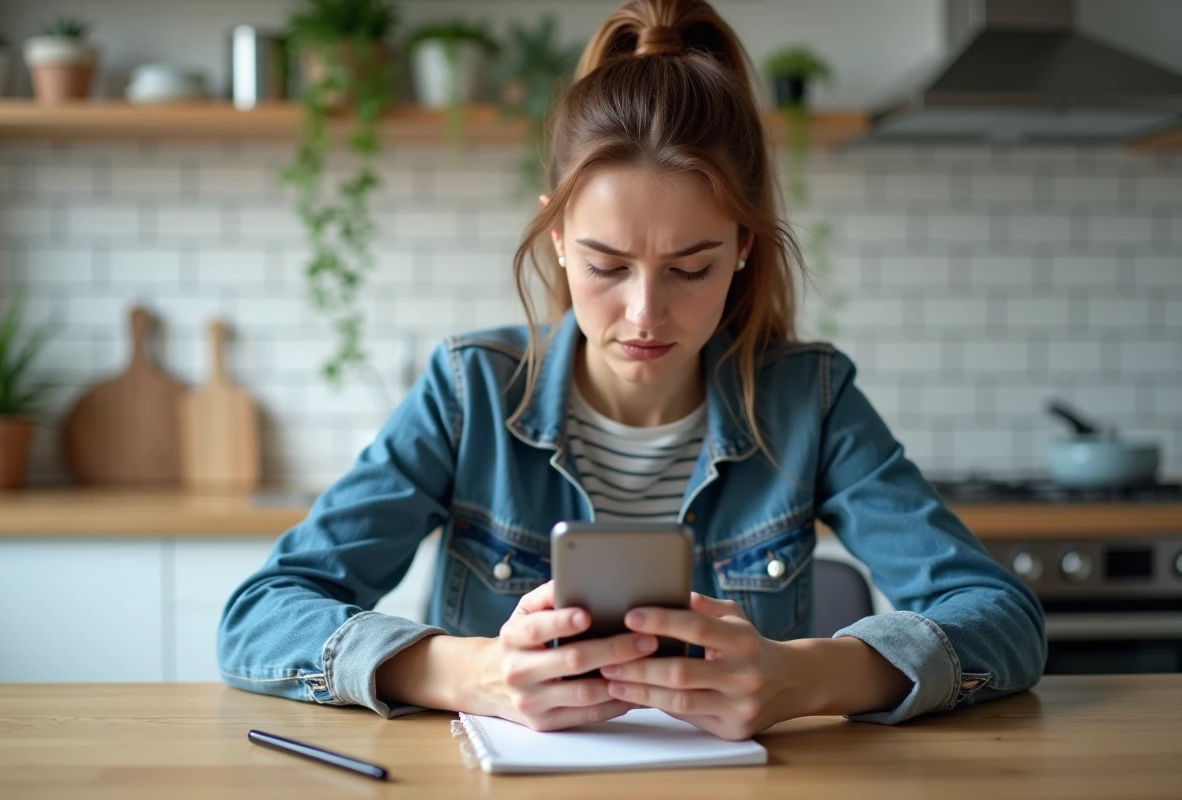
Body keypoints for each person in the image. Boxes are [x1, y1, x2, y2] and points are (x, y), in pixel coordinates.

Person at [218, 0, 1046, 741]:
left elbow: (1003, 620)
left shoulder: (810, 398)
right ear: (555, 236)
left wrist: (803, 677)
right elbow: (260, 618)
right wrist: (471, 675)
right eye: (606, 266)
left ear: (743, 248)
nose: (646, 313)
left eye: (691, 268)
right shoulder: (468, 389)